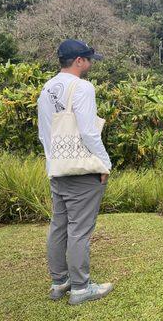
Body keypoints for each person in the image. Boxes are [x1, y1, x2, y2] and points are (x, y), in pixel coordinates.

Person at [37, 39, 113, 305]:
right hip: (81, 172)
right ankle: (81, 288)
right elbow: (89, 132)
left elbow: (43, 133)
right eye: (89, 59)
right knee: (79, 230)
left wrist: (52, 163)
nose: (91, 64)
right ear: (79, 61)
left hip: (57, 169)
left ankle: (60, 282)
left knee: (59, 226)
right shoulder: (82, 87)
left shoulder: (46, 89)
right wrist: (104, 163)